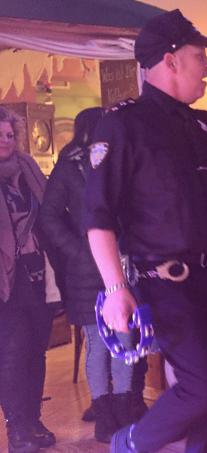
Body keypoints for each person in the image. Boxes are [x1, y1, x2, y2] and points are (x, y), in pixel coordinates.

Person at [83, 9, 207, 453]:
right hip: (166, 281)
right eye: (198, 55)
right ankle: (132, 441)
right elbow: (98, 216)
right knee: (201, 387)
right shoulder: (123, 124)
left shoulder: (204, 123)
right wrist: (114, 288)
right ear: (170, 61)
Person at [39, 107, 143, 443]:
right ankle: (113, 414)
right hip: (95, 265)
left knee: (115, 340)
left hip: (114, 261)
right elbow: (48, 219)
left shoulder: (81, 164)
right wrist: (82, 251)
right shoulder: (76, 165)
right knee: (108, 341)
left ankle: (117, 413)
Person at [0, 107, 54, 453]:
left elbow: (50, 210)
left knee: (37, 349)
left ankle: (33, 419)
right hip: (5, 279)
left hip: (38, 271)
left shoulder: (28, 168)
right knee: (12, 353)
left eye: (9, 134)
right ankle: (16, 426)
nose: (6, 141)